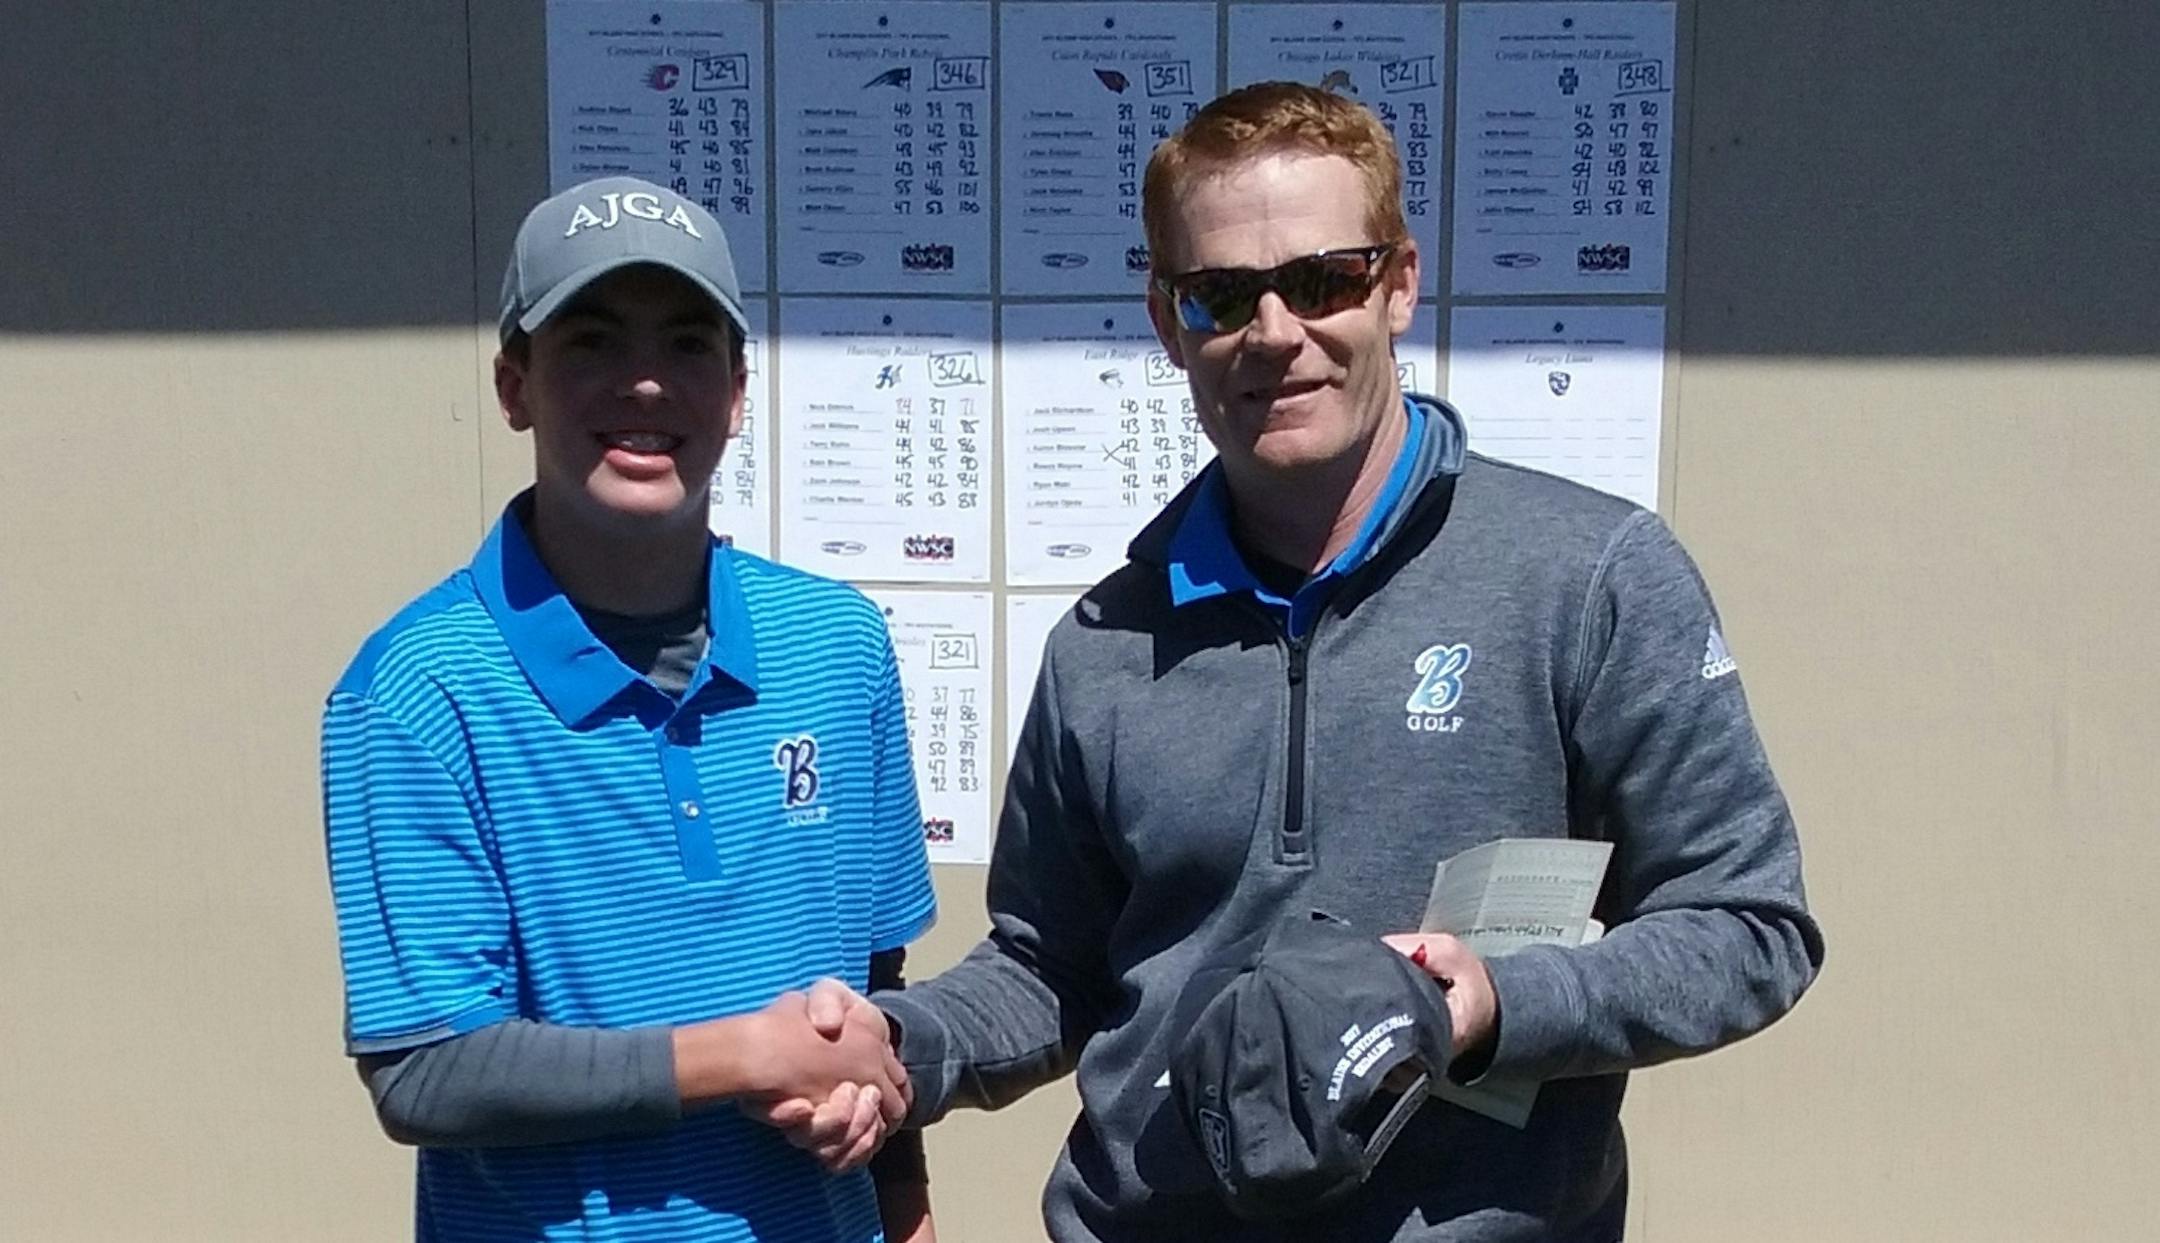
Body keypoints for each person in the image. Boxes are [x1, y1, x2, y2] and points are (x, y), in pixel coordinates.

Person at [803, 82, 1825, 1240]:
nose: (1275, 332)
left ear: (1399, 285)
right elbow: (1050, 970)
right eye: (1223, 295)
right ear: (1166, 319)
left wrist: (1498, 1005)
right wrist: (904, 1044)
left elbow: (1748, 926)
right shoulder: (1104, 645)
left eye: (1325, 279)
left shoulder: (1590, 577)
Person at [321, 176, 937, 1242]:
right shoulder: (417, 690)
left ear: (738, 392)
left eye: (689, 345)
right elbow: (424, 1069)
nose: (646, 385)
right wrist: (744, 1054)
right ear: (515, 385)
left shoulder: (840, 649)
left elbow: (873, 997)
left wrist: (906, 1207)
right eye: (593, 343)